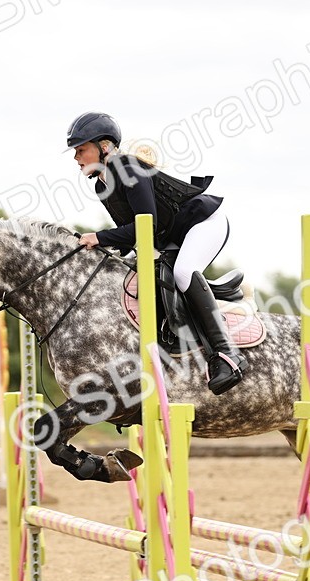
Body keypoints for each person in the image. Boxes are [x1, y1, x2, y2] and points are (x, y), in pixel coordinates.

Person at [66, 111, 247, 395]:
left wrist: (98, 237)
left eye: (81, 150)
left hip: (203, 223)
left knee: (183, 272)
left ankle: (228, 354)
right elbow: (130, 234)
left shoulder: (128, 168)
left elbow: (145, 226)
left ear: (104, 146)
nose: (77, 158)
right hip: (171, 237)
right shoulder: (103, 184)